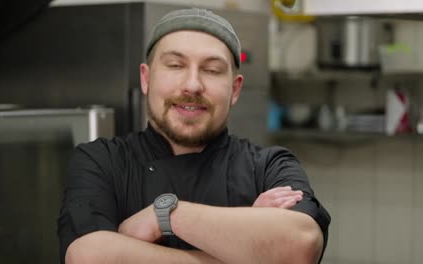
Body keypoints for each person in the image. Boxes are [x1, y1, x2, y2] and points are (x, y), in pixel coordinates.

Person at [57, 7, 330, 264]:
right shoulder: (101, 161)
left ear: (235, 90)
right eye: (175, 65)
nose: (192, 85)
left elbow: (301, 244)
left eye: (211, 70)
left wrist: (163, 215)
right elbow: (88, 257)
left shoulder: (269, 166)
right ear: (146, 78)